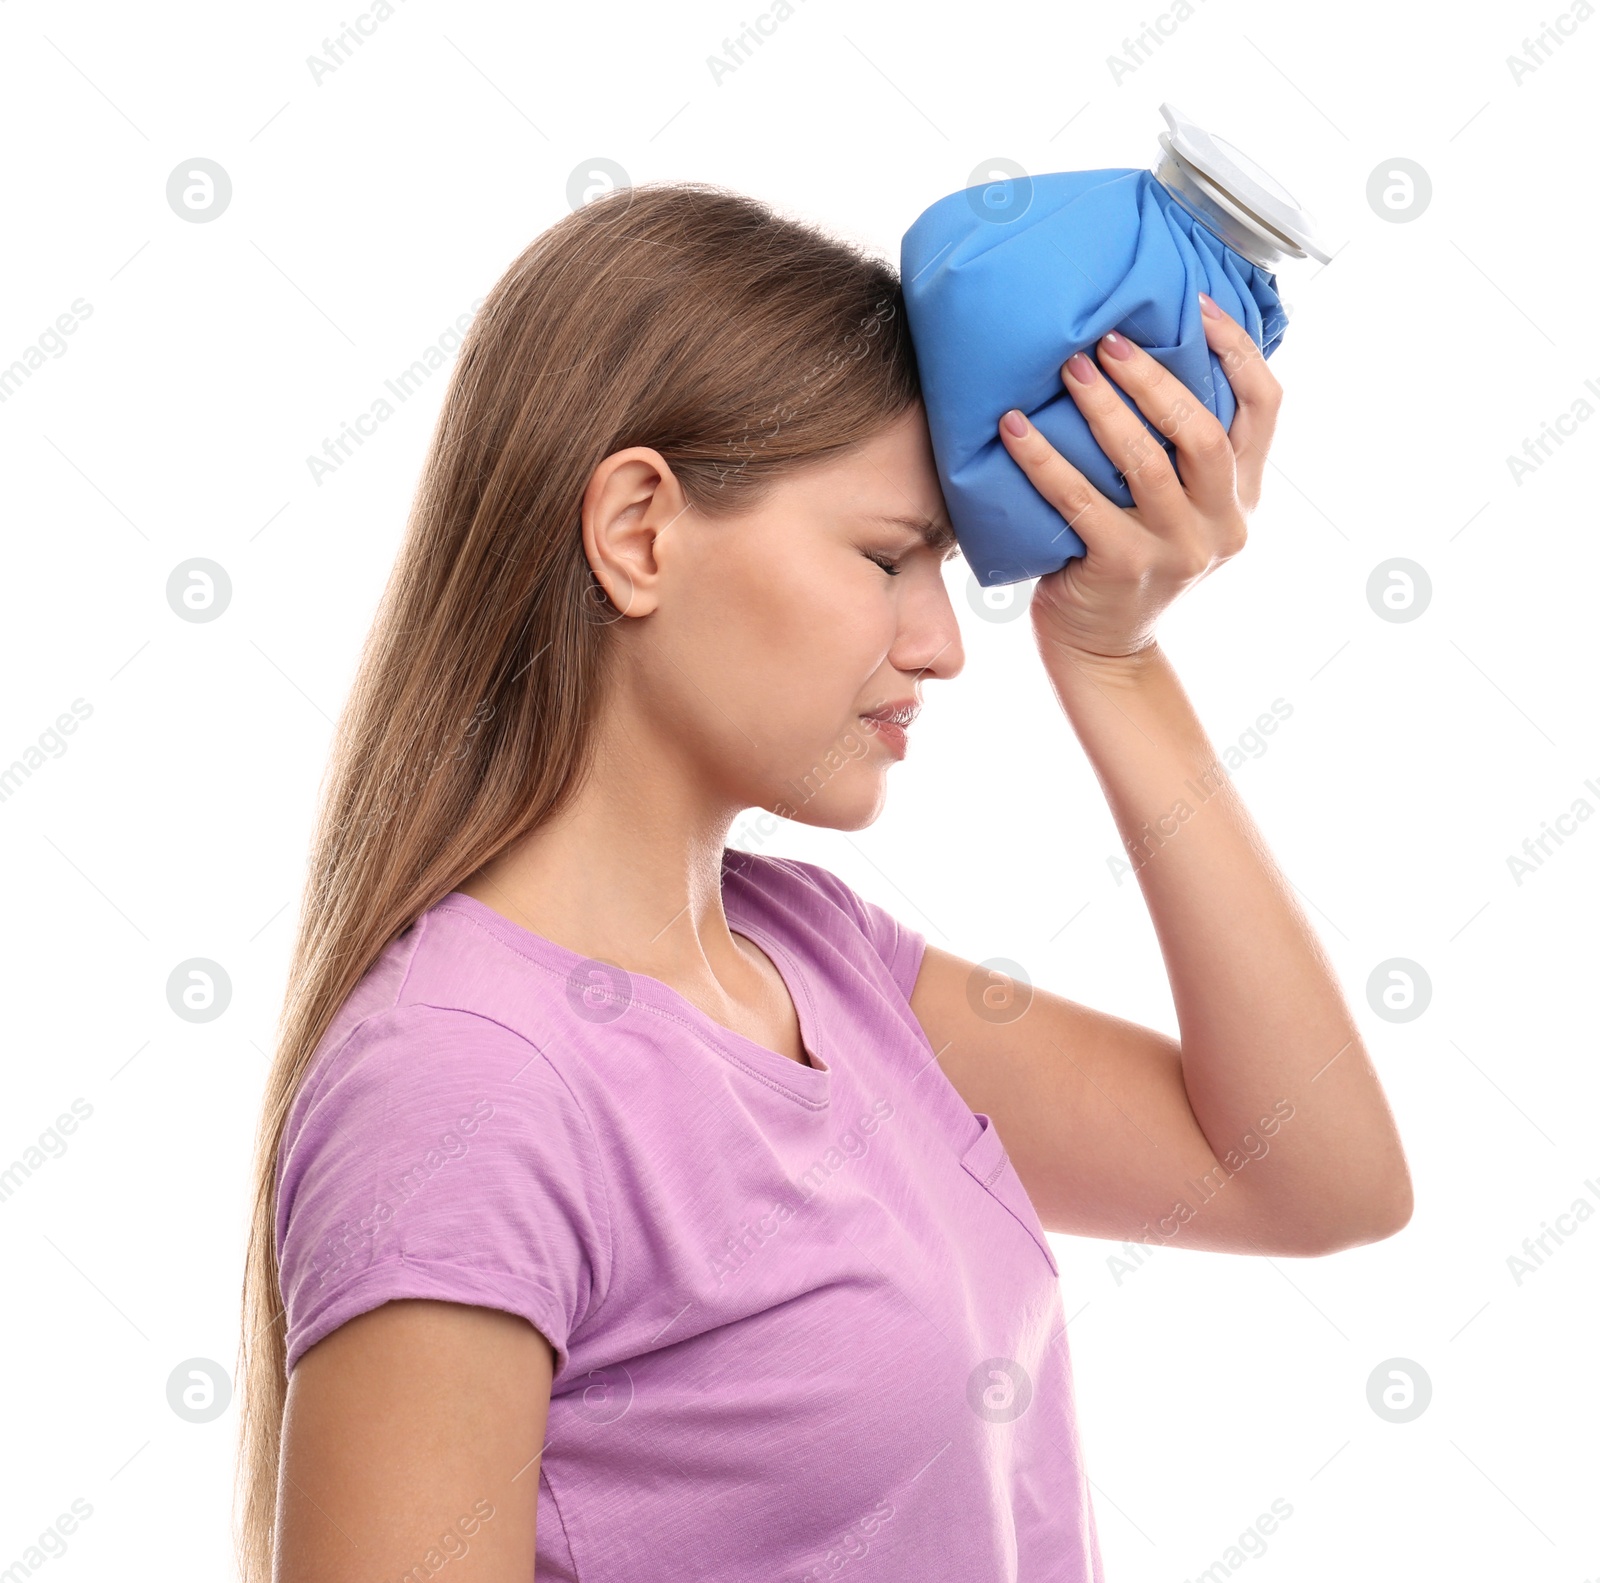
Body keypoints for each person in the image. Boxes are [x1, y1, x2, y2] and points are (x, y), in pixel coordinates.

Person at [236, 180, 1412, 1583]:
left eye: (942, 566)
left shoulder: (820, 962)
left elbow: (1311, 1176)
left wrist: (1113, 660)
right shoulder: (466, 1081)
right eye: (884, 557)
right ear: (639, 532)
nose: (939, 644)